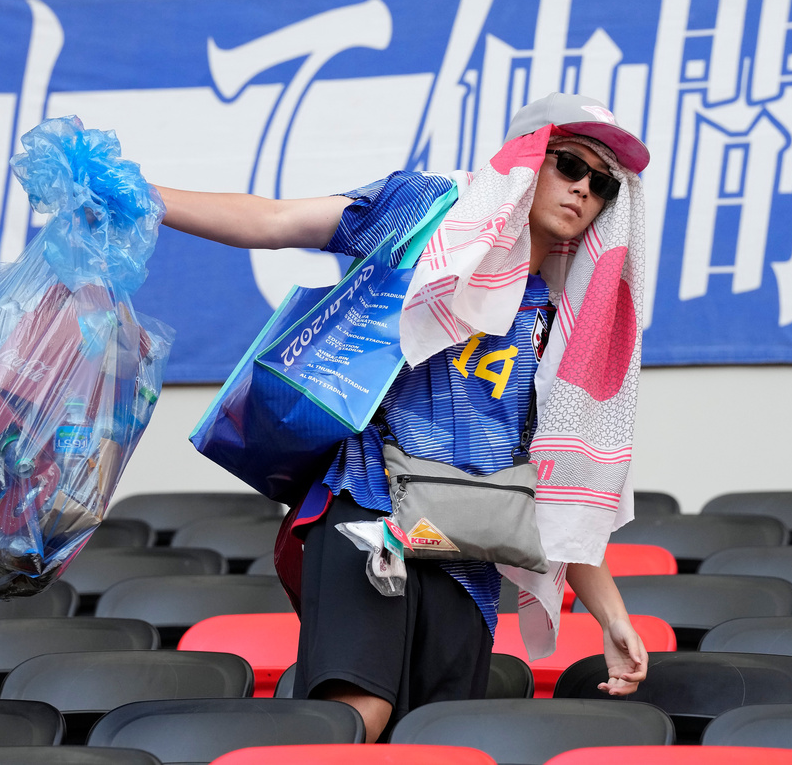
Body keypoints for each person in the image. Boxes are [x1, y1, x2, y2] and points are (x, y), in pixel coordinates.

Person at [155, 92, 650, 742]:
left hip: (466, 547)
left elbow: (559, 490)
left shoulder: (561, 317)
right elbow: (274, 222)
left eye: (603, 184)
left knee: (435, 738)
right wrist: (146, 197)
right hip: (371, 506)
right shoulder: (430, 213)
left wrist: (611, 616)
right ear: (529, 162)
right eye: (569, 165)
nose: (585, 190)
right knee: (359, 717)